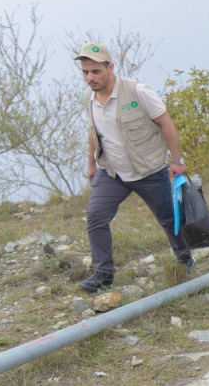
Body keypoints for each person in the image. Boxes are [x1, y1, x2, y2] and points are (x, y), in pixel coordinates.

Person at [76, 42, 193, 293]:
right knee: (96, 216)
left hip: (148, 171)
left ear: (110, 67)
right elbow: (93, 133)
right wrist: (91, 165)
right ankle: (103, 274)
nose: (90, 78)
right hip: (112, 173)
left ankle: (185, 258)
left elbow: (165, 123)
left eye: (95, 71)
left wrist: (176, 160)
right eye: (85, 72)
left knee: (167, 218)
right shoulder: (89, 98)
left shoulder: (138, 91)